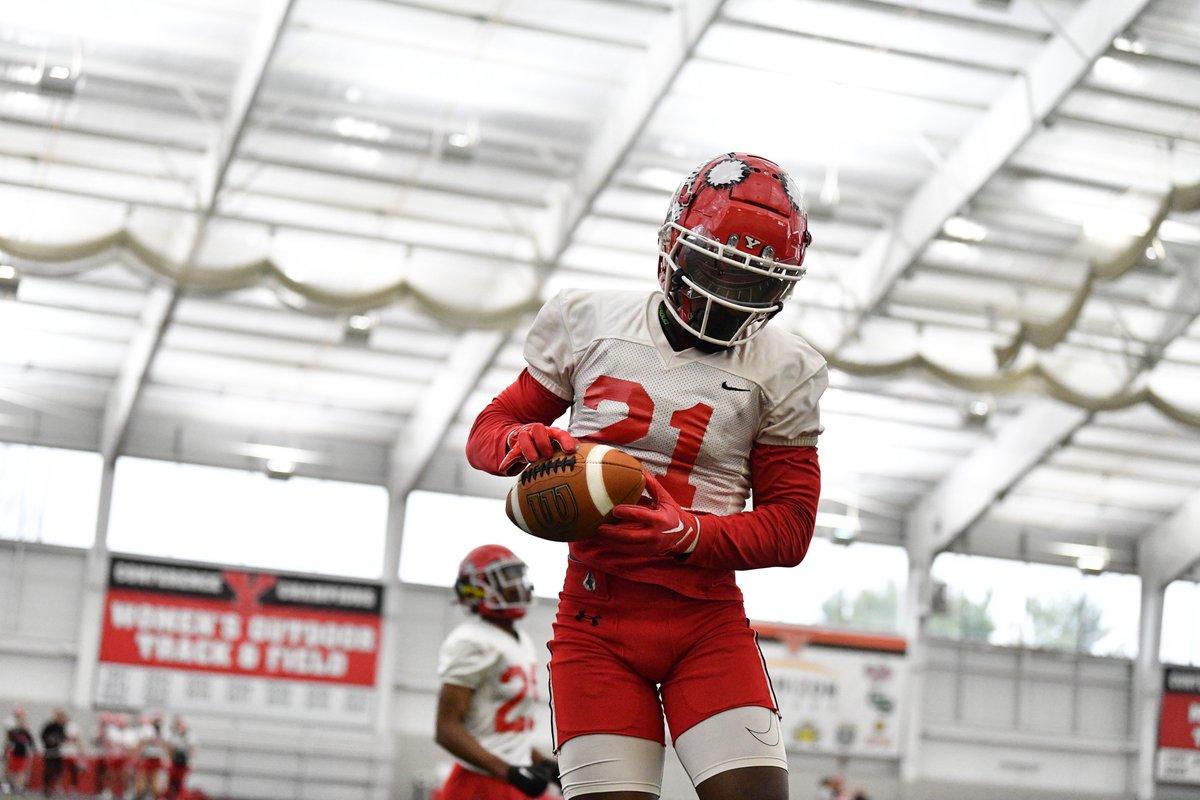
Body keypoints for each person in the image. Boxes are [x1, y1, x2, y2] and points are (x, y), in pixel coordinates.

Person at [466, 152, 825, 800]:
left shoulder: (785, 366)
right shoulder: (590, 321)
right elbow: (487, 431)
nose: (723, 297)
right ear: (671, 246)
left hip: (706, 620)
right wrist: (523, 442)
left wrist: (687, 534)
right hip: (596, 620)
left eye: (749, 284)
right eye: (715, 268)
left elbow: (792, 529)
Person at [433, 544, 559, 800]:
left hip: (510, 779)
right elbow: (446, 728)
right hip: (479, 783)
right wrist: (510, 772)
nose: (519, 584)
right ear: (480, 587)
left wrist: (540, 762)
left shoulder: (518, 639)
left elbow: (500, 733)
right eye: (508, 577)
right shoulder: (471, 640)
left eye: (518, 575)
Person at [4, 707, 35, 795]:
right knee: (9, 771)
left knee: (20, 772)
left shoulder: (25, 731)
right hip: (13, 752)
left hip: (22, 753)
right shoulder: (12, 726)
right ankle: (9, 786)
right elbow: (9, 739)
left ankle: (18, 787)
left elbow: (31, 742)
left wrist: (31, 749)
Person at [38, 708, 68, 797]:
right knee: (48, 770)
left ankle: (56, 787)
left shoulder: (61, 727)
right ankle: (46, 788)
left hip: (57, 751)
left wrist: (58, 741)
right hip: (49, 750)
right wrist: (48, 741)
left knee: (58, 770)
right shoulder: (49, 725)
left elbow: (63, 738)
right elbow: (42, 735)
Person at [164, 716, 195, 800]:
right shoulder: (173, 736)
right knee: (171, 783)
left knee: (181, 783)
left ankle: (180, 797)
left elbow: (193, 751)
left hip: (183, 764)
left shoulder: (189, 737)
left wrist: (189, 760)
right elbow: (168, 748)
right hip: (174, 763)